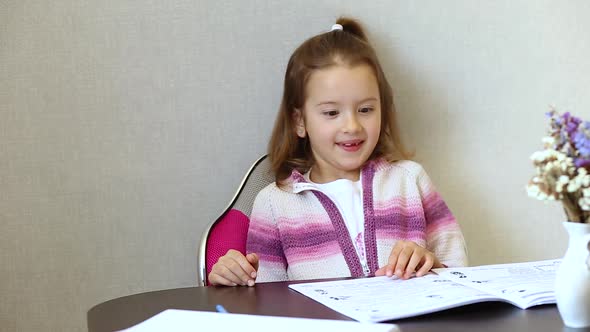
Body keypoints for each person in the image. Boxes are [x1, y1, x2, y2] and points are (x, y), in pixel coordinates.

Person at [208, 17, 467, 287]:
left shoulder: (410, 181)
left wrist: (430, 263)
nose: (352, 126)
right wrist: (235, 281)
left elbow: (461, 273)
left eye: (366, 110)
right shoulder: (274, 204)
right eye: (332, 113)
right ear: (299, 121)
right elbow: (265, 299)